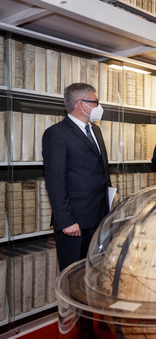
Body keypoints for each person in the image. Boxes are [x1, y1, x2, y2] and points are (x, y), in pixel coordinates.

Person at [42, 82, 111, 272]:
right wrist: (66, 221)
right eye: (95, 102)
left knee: (94, 274)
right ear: (80, 104)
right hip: (75, 224)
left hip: (100, 218)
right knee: (73, 277)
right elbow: (55, 181)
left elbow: (102, 172)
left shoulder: (95, 130)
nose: (99, 106)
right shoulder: (56, 134)